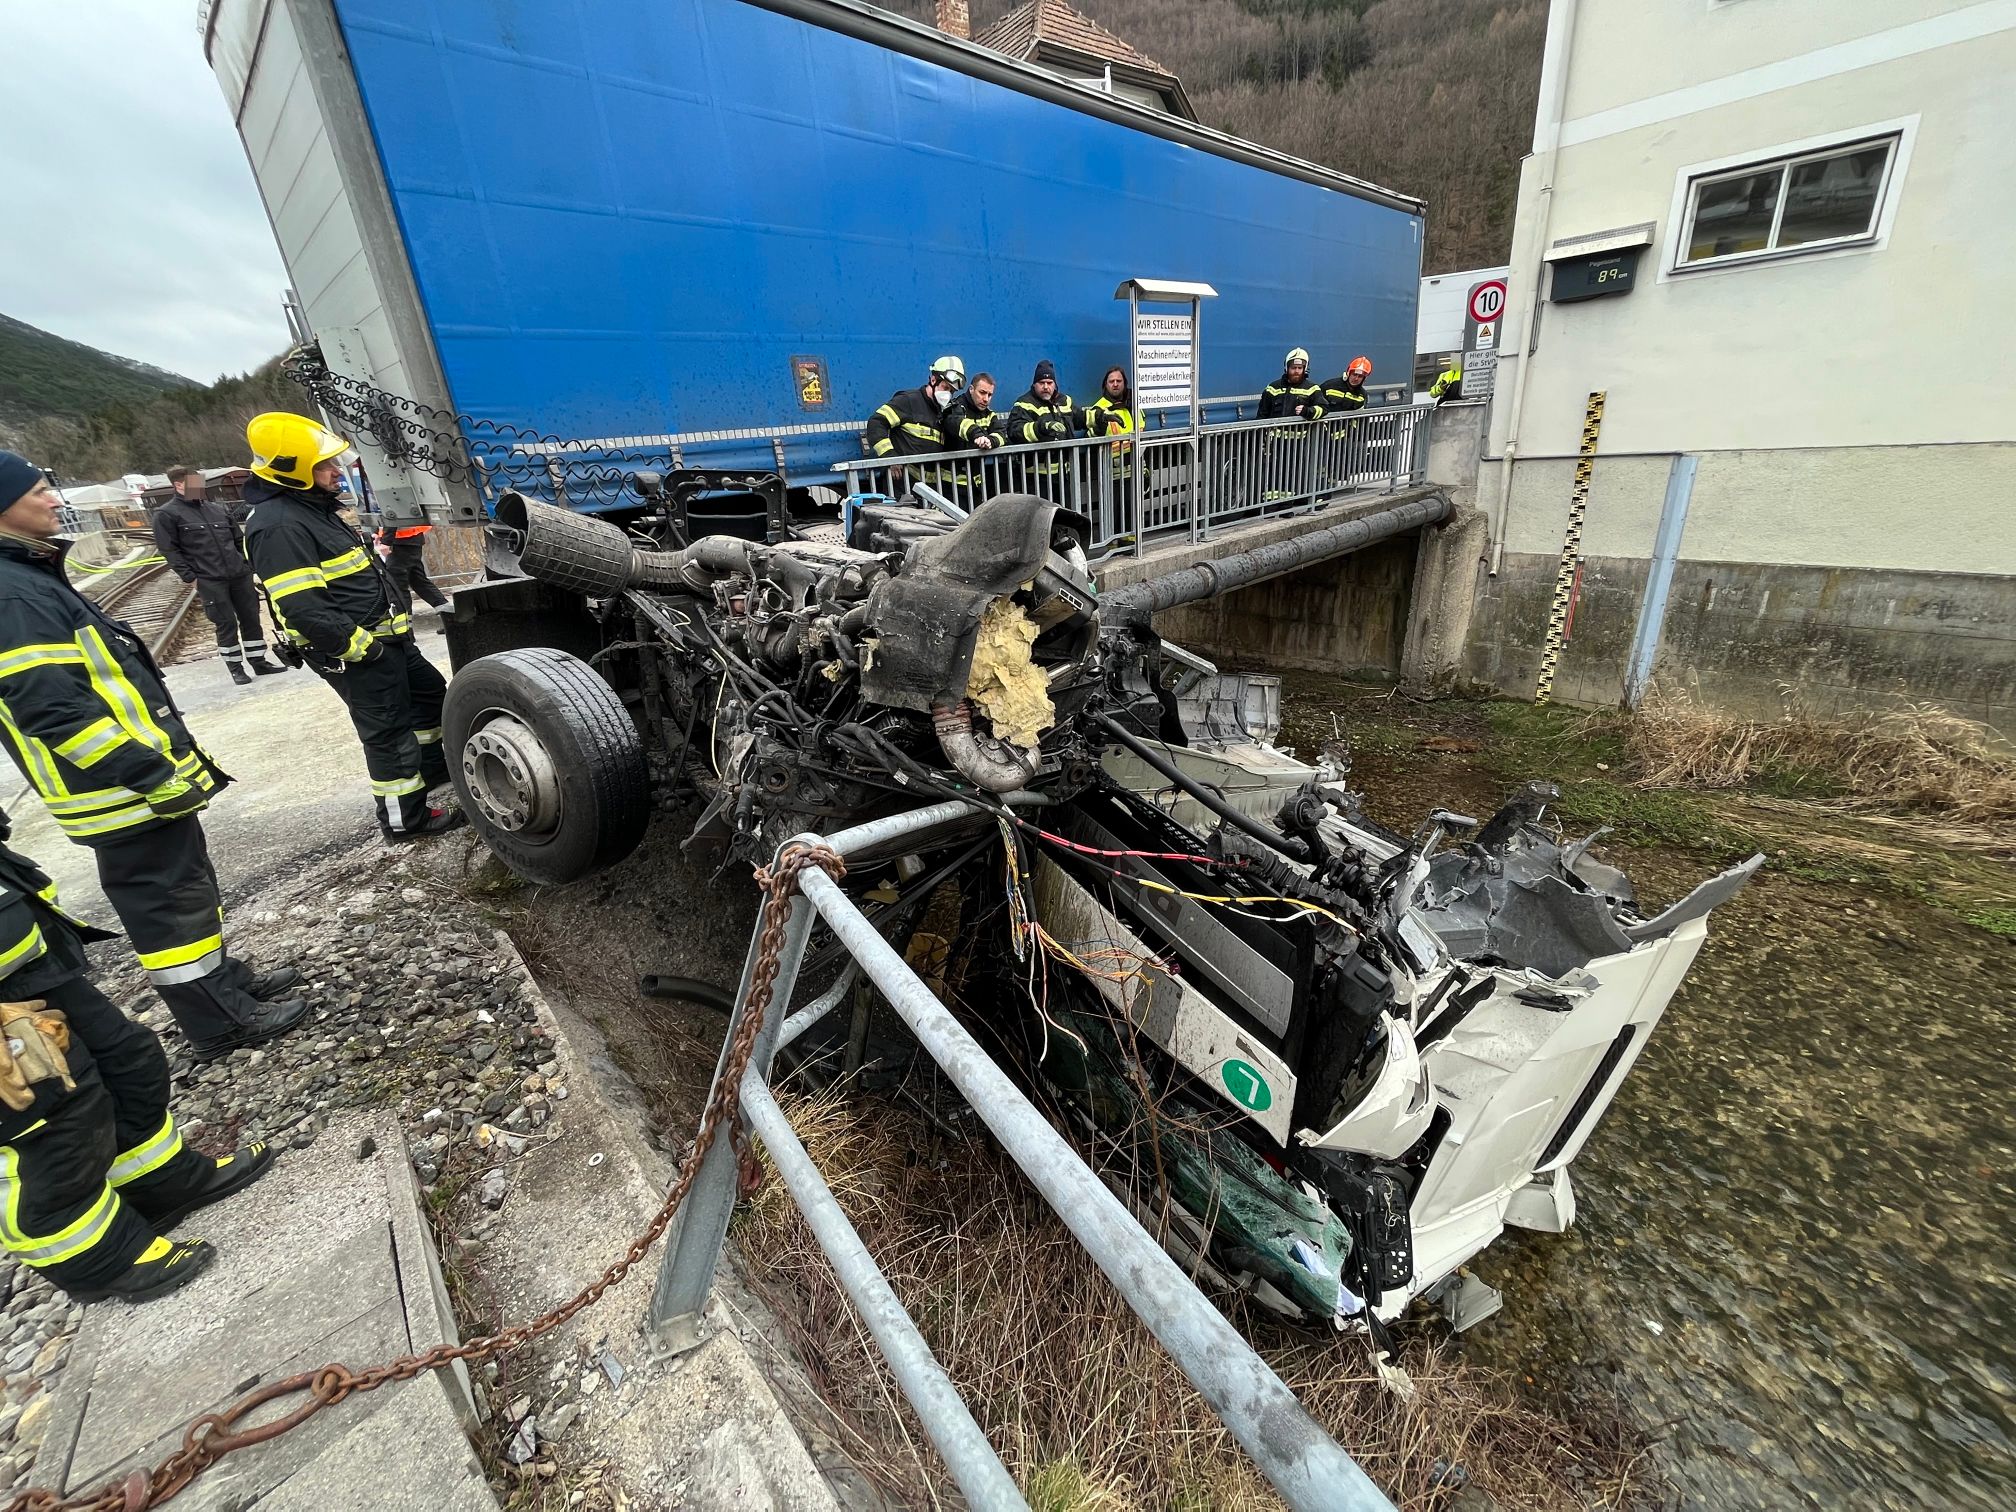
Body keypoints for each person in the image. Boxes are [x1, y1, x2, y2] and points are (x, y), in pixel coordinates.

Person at [0, 453, 309, 1062]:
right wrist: (145, 773)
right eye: (40, 492)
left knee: (187, 892)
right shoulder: (13, 596)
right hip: (118, 791)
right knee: (166, 909)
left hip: (130, 785)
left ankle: (221, 985)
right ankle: (220, 1022)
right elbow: (55, 712)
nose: (55, 500)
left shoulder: (26, 579)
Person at [0, 816, 273, 1303]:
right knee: (46, 1120)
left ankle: (160, 1182)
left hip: (22, 951)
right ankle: (98, 1260)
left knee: (127, 1058)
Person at [239, 415, 463, 841]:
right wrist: (363, 649)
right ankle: (406, 820)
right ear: (294, 470)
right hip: (360, 652)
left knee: (431, 700)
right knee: (388, 732)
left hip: (389, 641)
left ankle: (431, 776)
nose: (336, 472)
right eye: (325, 466)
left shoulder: (309, 510)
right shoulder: (280, 525)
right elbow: (303, 607)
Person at [153, 465, 286, 687]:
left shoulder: (216, 509)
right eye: (195, 482)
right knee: (226, 623)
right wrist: (190, 577)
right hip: (209, 579)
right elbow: (169, 550)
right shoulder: (167, 515)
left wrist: (248, 566)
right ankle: (236, 668)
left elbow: (237, 539)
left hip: (238, 574)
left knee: (251, 618)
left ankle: (259, 660)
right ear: (178, 485)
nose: (201, 486)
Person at [1005, 360, 1080, 500]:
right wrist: (1042, 426)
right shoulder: (1024, 403)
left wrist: (1101, 417)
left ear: (1055, 384)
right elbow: (1015, 431)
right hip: (1036, 480)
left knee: (1065, 518)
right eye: (1041, 383)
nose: (1046, 387)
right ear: (1034, 384)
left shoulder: (1064, 401)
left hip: (1063, 476)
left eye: (1049, 383)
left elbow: (1081, 418)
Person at [1085, 366, 1138, 538]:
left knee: (1131, 505)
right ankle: (1113, 542)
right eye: (1111, 381)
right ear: (1105, 385)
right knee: (1112, 508)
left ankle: (1130, 541)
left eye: (1119, 381)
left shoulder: (1132, 406)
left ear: (1125, 383)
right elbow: (1091, 435)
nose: (1115, 384)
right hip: (1110, 470)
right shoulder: (1099, 408)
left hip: (1132, 466)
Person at [940, 372, 1002, 503]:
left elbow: (1001, 434)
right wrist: (977, 434)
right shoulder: (956, 406)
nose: (986, 399)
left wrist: (990, 441)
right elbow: (955, 422)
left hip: (976, 485)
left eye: (989, 395)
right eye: (982, 392)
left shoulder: (988, 414)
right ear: (971, 389)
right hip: (951, 485)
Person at [372, 519, 448, 617]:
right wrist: (376, 532)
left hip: (401, 541)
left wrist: (386, 541)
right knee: (418, 581)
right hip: (407, 540)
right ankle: (451, 617)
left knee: (397, 585)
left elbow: (391, 515)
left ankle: (406, 625)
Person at [1257, 348, 1322, 421]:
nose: (1297, 371)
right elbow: (1262, 414)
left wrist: (1308, 411)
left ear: (1305, 369)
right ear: (1287, 368)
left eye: (1300, 368)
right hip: (1275, 432)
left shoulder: (1312, 389)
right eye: (1293, 368)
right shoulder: (1272, 388)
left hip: (1302, 432)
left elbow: (1323, 408)